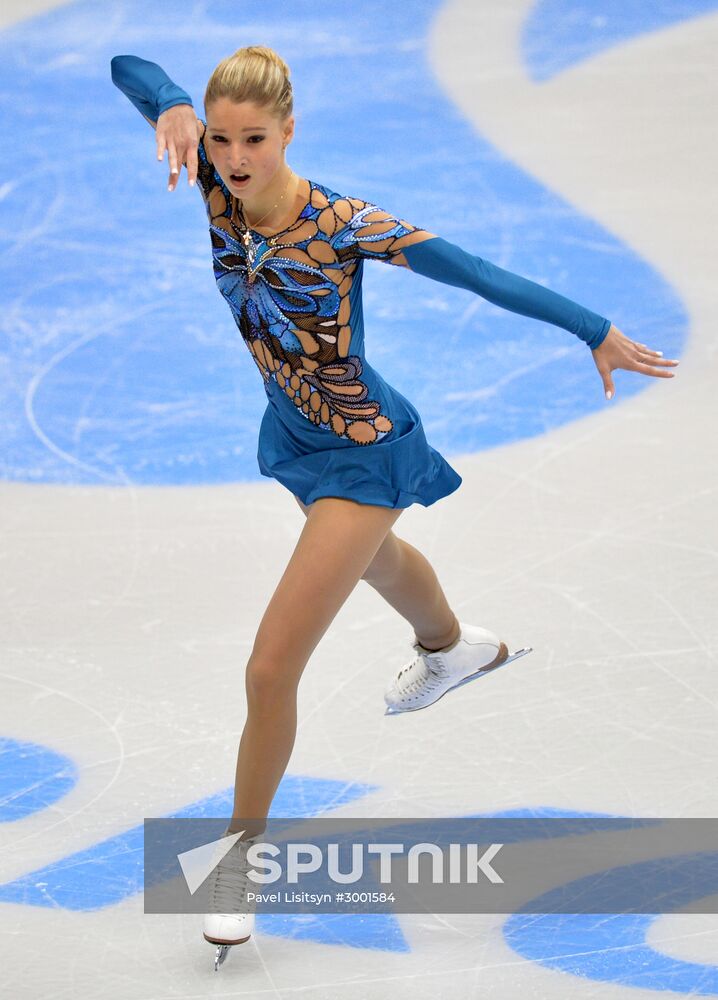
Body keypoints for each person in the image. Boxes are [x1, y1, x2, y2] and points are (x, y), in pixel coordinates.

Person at [110, 46, 678, 963]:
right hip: (295, 435)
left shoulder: (343, 222)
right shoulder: (216, 186)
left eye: (254, 138)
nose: (235, 156)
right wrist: (171, 105)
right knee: (375, 563)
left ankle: (238, 862)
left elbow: (478, 271)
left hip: (363, 450)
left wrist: (595, 330)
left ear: (289, 131)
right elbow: (127, 64)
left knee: (268, 670)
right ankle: (455, 648)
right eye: (220, 139)